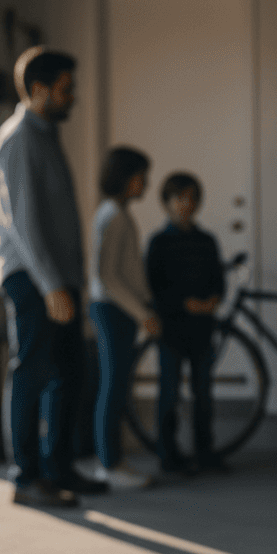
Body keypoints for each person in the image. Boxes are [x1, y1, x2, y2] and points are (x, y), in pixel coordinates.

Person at [0, 46, 108, 507]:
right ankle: (26, 478)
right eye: (65, 89)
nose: (72, 96)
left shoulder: (46, 135)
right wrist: (51, 284)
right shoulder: (19, 139)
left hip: (58, 279)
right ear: (39, 89)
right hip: (33, 278)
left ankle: (59, 469)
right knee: (32, 373)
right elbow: (23, 222)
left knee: (69, 374)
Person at [88, 146, 162, 488]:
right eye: (141, 176)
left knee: (116, 386)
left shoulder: (114, 213)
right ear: (126, 178)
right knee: (113, 387)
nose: (145, 183)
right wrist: (142, 313)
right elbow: (108, 277)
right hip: (113, 310)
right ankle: (109, 465)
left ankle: (112, 462)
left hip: (117, 310)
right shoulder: (114, 216)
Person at [146, 173, 225, 473]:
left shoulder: (207, 241)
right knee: (170, 392)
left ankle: (205, 451)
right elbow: (154, 287)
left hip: (203, 328)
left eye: (192, 198)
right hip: (171, 328)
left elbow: (218, 279)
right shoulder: (159, 242)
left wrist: (213, 299)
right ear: (166, 202)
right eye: (179, 198)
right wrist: (184, 303)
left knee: (204, 393)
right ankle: (168, 454)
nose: (186, 204)